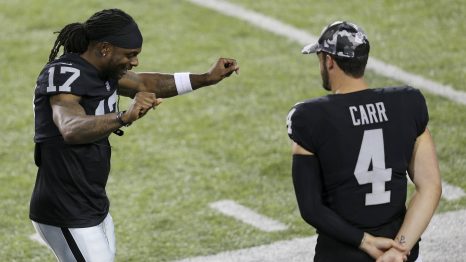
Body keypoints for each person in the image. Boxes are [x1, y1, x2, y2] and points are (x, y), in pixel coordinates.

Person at [31, 8, 239, 262]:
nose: (135, 62)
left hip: (90, 201)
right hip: (64, 207)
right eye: (130, 55)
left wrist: (206, 78)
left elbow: (146, 83)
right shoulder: (64, 74)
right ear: (105, 48)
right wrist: (122, 117)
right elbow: (70, 128)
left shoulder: (102, 70)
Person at [286, 21, 441, 262]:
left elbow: (311, 208)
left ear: (329, 61)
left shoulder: (310, 117)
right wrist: (399, 249)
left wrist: (366, 242)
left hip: (341, 253)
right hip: (400, 251)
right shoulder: (407, 103)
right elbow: (430, 186)